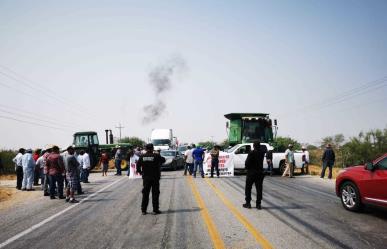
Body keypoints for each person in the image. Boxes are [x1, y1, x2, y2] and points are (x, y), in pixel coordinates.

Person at [136, 143, 165, 215]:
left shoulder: (142, 156)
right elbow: (163, 160)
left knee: (145, 194)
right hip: (155, 178)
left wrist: (141, 173)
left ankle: (143, 210)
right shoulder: (156, 155)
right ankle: (155, 210)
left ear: (146, 149)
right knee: (155, 194)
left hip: (146, 178)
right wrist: (158, 154)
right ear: (152, 148)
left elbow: (138, 166)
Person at [243, 141, 267, 209]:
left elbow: (247, 162)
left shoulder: (251, 153)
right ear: (259, 146)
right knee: (259, 189)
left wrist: (246, 168)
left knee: (248, 188)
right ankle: (258, 204)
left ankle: (248, 203)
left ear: (253, 146)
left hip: (251, 173)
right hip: (259, 173)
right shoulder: (262, 153)